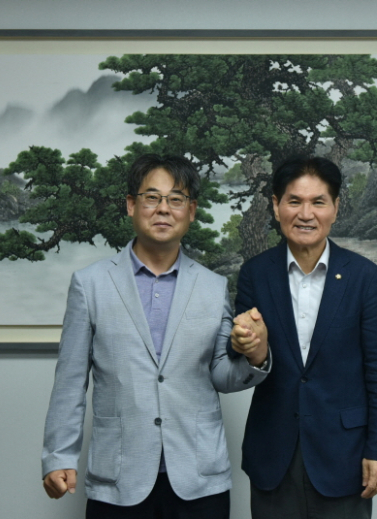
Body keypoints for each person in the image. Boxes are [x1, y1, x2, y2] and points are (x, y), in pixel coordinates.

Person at [42, 154, 269, 519]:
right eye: (152, 197)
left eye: (176, 199)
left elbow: (222, 376)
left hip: (199, 476)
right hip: (118, 477)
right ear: (131, 205)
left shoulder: (213, 287)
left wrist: (256, 354)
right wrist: (58, 456)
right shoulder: (90, 284)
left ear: (191, 211)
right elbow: (70, 380)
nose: (163, 209)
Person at [231, 156, 377, 519]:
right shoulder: (256, 274)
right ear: (276, 205)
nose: (305, 214)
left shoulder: (365, 278)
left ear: (335, 208)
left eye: (318, 202)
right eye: (294, 201)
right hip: (273, 451)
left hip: (345, 453)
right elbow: (242, 362)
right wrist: (252, 348)